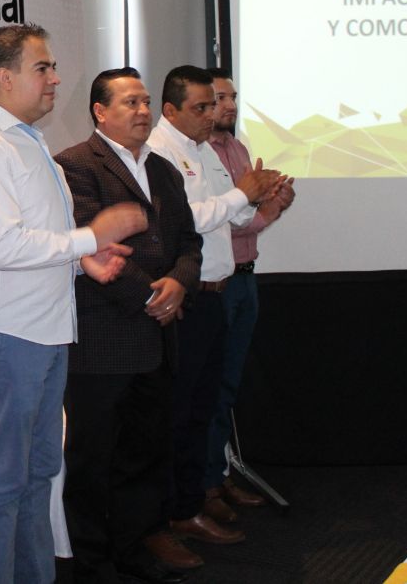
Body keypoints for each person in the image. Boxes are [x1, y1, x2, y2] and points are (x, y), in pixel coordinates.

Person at [0, 24, 146, 584]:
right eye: (43, 68)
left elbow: (41, 238)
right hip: (12, 335)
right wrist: (90, 237)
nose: (56, 78)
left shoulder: (30, 142)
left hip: (49, 330)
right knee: (6, 480)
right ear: (5, 77)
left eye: (53, 67)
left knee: (39, 474)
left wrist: (83, 259)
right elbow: (5, 248)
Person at [54, 68, 202, 584]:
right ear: (100, 111)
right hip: (103, 341)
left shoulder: (163, 169)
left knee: (143, 455)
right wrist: (151, 296)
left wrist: (179, 282)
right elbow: (92, 245)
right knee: (94, 461)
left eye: (145, 102)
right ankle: (93, 566)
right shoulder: (75, 165)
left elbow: (188, 242)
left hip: (158, 337)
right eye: (130, 103)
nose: (143, 111)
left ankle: (134, 553)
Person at [145, 65, 284, 554]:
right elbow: (187, 218)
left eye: (213, 105)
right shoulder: (160, 153)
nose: (212, 115)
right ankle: (176, 511)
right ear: (170, 110)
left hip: (218, 293)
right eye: (201, 107)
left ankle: (192, 501)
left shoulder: (203, 149)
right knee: (181, 411)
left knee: (204, 406)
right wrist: (242, 195)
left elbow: (233, 214)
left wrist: (258, 198)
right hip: (190, 297)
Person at [201, 67, 295, 522]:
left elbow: (242, 215)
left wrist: (270, 200)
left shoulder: (237, 149)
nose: (230, 106)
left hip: (245, 279)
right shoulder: (198, 154)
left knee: (228, 386)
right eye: (219, 98)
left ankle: (217, 475)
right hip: (218, 284)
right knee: (209, 388)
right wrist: (265, 210)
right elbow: (221, 221)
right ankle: (205, 486)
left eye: (232, 97)